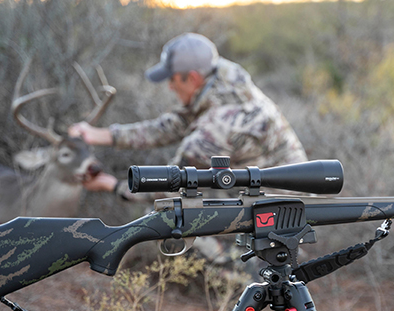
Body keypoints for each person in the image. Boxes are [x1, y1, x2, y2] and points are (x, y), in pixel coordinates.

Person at [68, 32, 308, 197]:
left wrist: (114, 187)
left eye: (172, 80)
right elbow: (174, 125)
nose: (170, 87)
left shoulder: (218, 126)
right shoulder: (223, 80)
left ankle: (233, 270)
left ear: (192, 77)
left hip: (282, 207)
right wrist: (101, 135)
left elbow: (173, 185)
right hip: (271, 190)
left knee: (173, 216)